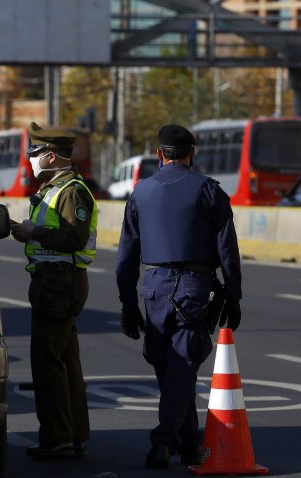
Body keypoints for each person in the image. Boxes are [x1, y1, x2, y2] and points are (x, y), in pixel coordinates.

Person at [114, 124, 242, 469]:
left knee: (172, 370)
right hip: (195, 289)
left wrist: (128, 306)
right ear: (192, 154)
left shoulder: (140, 192)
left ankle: (189, 444)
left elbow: (126, 256)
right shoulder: (208, 191)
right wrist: (234, 295)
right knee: (182, 368)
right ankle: (164, 441)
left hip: (153, 287)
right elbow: (227, 250)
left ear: (159, 154)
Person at [9, 122, 97, 460]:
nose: (30, 160)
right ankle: (73, 435)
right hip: (53, 282)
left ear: (49, 155)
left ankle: (58, 438)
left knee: (48, 365)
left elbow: (73, 238)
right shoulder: (53, 188)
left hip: (60, 284)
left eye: (34, 154)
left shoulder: (72, 190)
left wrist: (33, 233)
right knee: (65, 362)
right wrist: (25, 230)